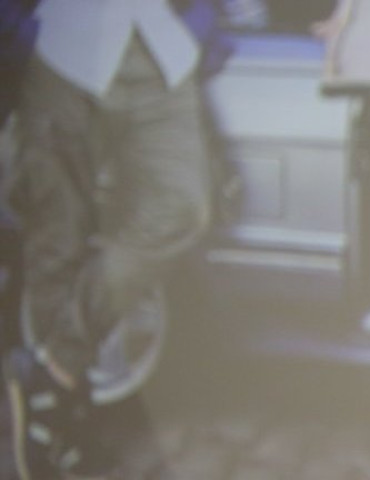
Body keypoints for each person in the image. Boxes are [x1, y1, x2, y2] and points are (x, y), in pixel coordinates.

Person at [2, 0, 217, 477]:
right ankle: (57, 428)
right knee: (57, 240)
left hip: (159, 45)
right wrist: (19, 34)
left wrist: (202, 24)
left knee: (181, 209)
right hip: (60, 48)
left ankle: (52, 372)